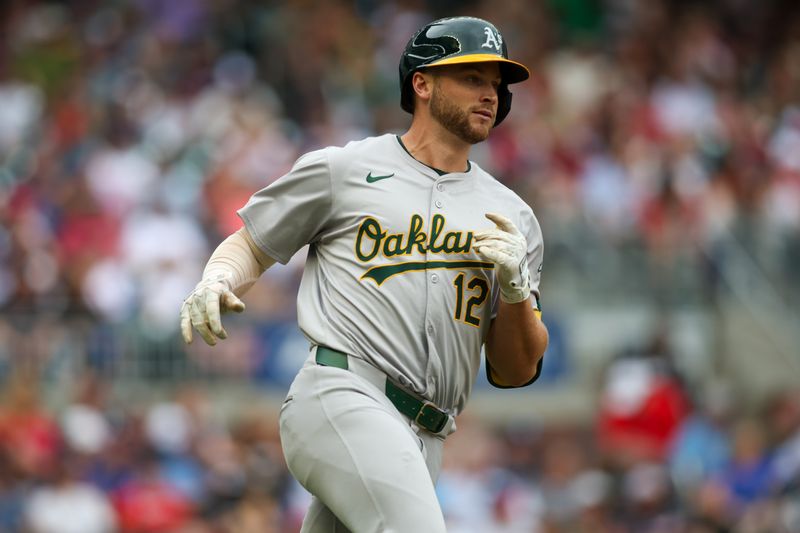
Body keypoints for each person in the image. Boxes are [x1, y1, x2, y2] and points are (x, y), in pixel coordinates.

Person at [180, 16, 548, 532]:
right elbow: (252, 242)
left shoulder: (514, 216)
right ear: (421, 83)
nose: (489, 93)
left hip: (428, 436)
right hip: (343, 396)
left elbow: (515, 370)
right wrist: (217, 277)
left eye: (495, 83)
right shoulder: (345, 169)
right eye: (471, 77)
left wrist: (515, 293)